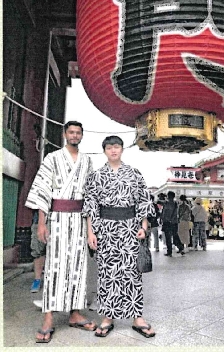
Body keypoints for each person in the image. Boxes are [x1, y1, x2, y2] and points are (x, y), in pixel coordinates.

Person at [25, 121, 96, 343]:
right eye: (71, 132)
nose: (75, 135)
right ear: (65, 134)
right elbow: (43, 191)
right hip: (56, 219)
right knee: (55, 267)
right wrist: (42, 224)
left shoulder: (87, 161)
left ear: (82, 136)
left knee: (78, 267)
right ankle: (48, 318)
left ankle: (75, 313)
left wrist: (90, 229)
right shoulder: (52, 158)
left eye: (78, 133)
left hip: (78, 221)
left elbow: (91, 197)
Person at [83, 135, 155, 337]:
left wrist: (144, 226)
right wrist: (90, 232)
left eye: (117, 147)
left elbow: (143, 201)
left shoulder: (134, 174)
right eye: (109, 148)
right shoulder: (95, 176)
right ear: (104, 151)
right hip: (105, 229)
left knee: (133, 272)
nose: (113, 150)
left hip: (130, 228)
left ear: (122, 149)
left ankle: (137, 317)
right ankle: (107, 317)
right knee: (107, 274)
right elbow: (91, 206)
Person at [159, 191, 183, 256]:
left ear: (168, 196)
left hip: (167, 222)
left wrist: (162, 219)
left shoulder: (166, 203)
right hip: (174, 222)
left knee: (168, 238)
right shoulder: (175, 204)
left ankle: (169, 251)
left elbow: (163, 213)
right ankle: (180, 247)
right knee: (175, 236)